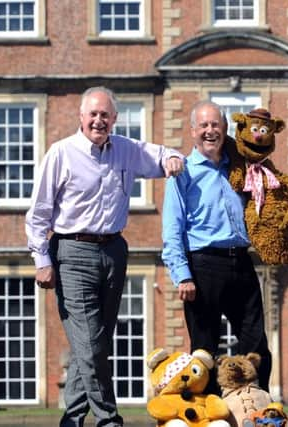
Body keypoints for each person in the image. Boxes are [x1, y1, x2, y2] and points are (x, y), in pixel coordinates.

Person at [25, 86, 184, 427]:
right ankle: (108, 418)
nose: (99, 120)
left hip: (114, 251)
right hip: (73, 251)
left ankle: (72, 417)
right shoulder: (61, 154)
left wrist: (172, 158)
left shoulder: (125, 149)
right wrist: (42, 260)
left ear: (114, 119)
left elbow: (160, 155)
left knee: (97, 340)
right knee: (90, 342)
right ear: (81, 118)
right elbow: (38, 213)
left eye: (105, 115)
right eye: (93, 114)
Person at [161, 100, 272, 394]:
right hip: (202, 266)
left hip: (242, 263)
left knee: (257, 345)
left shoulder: (239, 166)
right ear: (193, 131)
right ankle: (211, 417)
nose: (210, 131)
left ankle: (258, 411)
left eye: (216, 125)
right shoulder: (182, 172)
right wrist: (181, 274)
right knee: (204, 352)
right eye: (204, 125)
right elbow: (172, 228)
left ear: (225, 129)